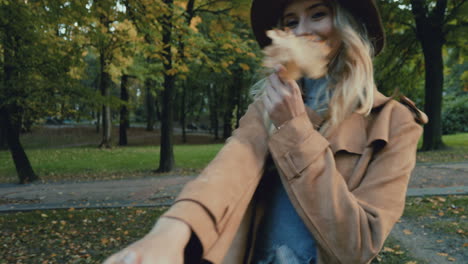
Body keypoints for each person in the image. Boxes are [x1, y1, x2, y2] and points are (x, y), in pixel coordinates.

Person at [104, 0, 428, 263]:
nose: (302, 31)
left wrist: (295, 129)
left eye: (318, 14)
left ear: (347, 25)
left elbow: (358, 245)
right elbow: (229, 168)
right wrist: (171, 231)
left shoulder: (395, 122)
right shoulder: (267, 105)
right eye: (290, 21)